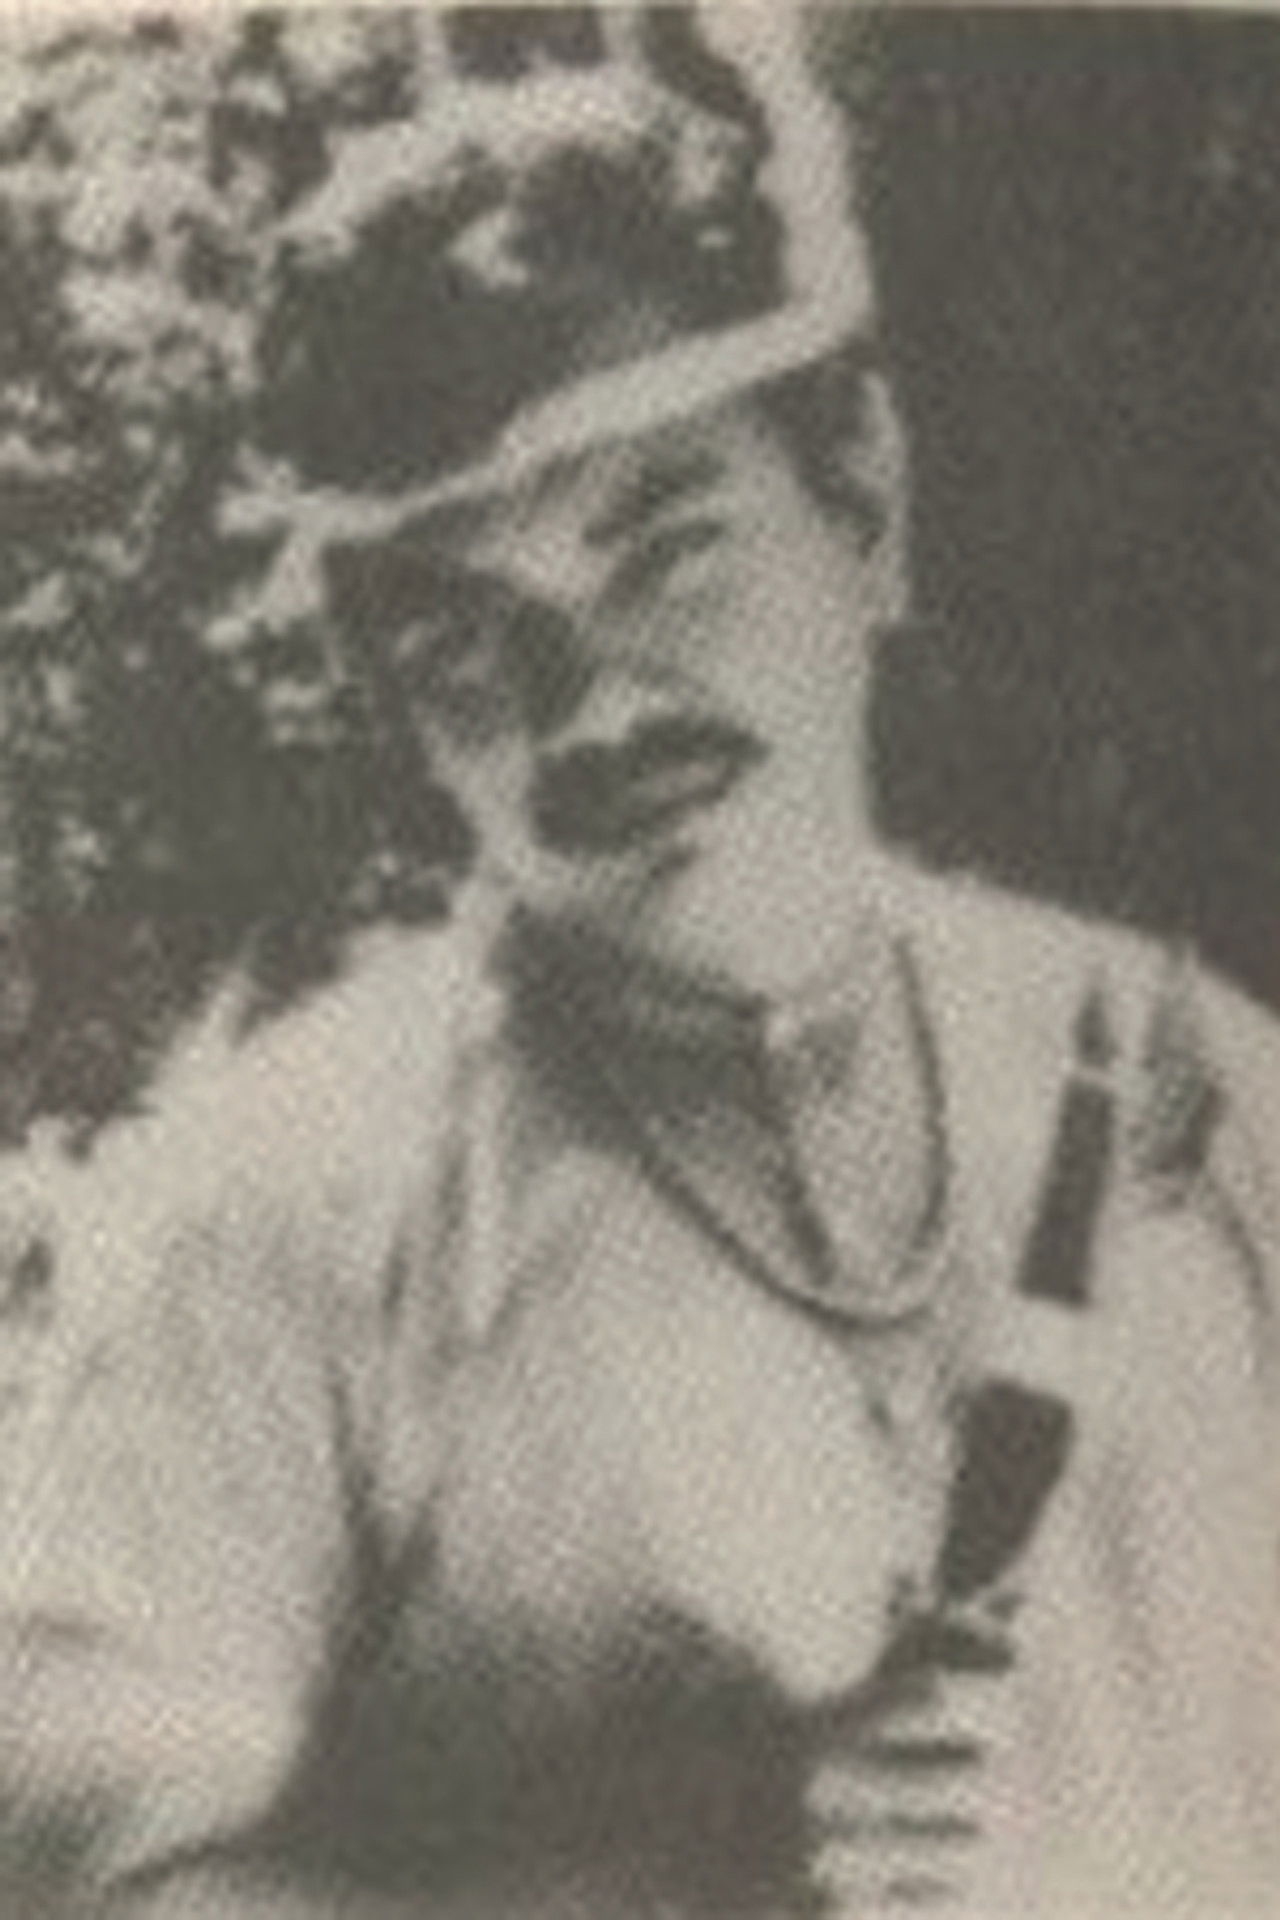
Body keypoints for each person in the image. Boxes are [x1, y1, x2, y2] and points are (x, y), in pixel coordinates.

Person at [2, 8, 1280, 1916]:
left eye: (660, 545)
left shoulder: (1196, 1083)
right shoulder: (272, 1227)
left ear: (864, 500)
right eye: (465, 640)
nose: (584, 700)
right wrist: (659, 1873)